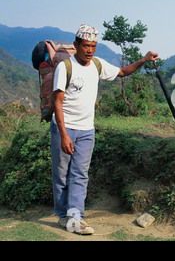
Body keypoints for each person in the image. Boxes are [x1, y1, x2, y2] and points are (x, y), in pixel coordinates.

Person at [51, 24, 159, 235]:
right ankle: (63, 215)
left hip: (86, 130)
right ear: (76, 45)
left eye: (93, 46)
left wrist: (144, 60)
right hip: (64, 128)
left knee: (80, 174)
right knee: (61, 175)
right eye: (85, 46)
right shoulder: (65, 67)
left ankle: (76, 218)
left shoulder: (97, 65)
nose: (89, 50)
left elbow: (122, 72)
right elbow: (57, 101)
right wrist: (63, 135)